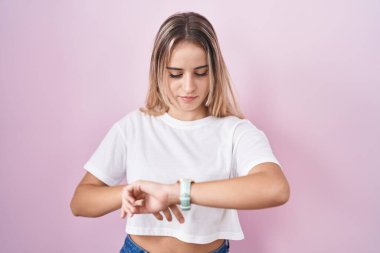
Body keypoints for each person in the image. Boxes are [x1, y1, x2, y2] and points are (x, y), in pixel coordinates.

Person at [70, 11, 290, 253]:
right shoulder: (133, 127)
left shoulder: (235, 131)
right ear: (157, 71)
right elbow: (80, 203)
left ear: (215, 71)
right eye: (175, 74)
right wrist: (130, 192)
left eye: (200, 73)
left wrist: (176, 193)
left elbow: (275, 188)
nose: (188, 86)